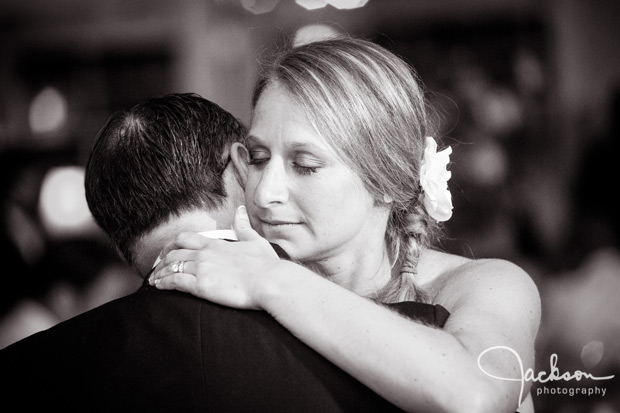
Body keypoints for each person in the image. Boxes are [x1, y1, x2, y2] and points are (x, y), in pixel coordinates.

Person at [151, 38, 541, 412]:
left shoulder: (487, 285)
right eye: (257, 157)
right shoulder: (241, 292)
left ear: (388, 179)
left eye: (305, 165)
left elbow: (477, 396)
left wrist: (270, 280)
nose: (266, 192)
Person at [1, 93, 409, 412]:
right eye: (261, 160)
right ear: (237, 165)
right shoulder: (392, 345)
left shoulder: (27, 375)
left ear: (118, 236)